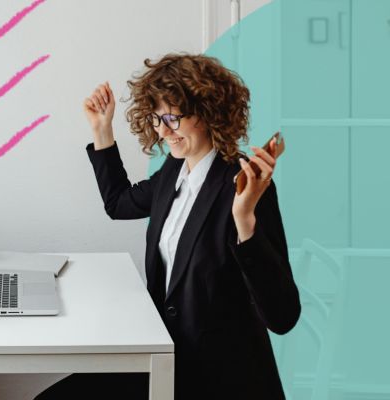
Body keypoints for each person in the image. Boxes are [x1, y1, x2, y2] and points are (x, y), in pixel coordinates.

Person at [36, 53, 301, 400]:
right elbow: (119, 203)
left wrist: (244, 219)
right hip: (165, 357)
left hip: (217, 377)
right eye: (157, 118)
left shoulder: (245, 185)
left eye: (173, 118)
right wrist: (102, 129)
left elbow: (282, 317)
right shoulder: (174, 171)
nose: (162, 130)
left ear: (206, 113)